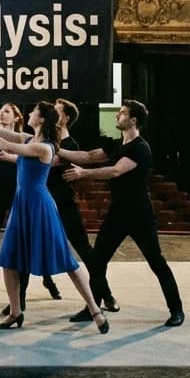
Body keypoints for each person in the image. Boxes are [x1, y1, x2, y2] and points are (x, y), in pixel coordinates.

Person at [0, 91, 108, 333]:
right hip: (21, 204)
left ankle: (95, 310)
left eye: (34, 111)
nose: (30, 113)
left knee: (67, 261)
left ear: (42, 119)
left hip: (40, 206)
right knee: (9, 260)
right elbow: (0, 131)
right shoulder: (28, 138)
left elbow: (3, 142)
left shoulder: (45, 148)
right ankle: (15, 312)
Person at [60, 100, 185, 327]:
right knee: (97, 261)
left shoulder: (140, 148)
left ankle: (176, 310)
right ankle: (94, 308)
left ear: (133, 120)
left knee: (156, 262)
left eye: (122, 113)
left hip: (139, 214)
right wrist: (55, 148)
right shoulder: (116, 146)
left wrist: (83, 174)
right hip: (117, 213)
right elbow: (88, 155)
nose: (117, 116)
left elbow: (116, 171)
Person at [0, 103, 59, 311]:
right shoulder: (4, 136)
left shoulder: (27, 139)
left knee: (23, 249)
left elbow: (7, 147)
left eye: (7, 111)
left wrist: (0, 154)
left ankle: (22, 297)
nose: (1, 113)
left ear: (17, 118)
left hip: (17, 198)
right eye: (0, 110)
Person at [47, 98, 120, 314]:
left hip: (64, 205)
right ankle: (17, 303)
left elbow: (47, 160)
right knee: (25, 247)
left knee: (85, 251)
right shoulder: (45, 142)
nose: (52, 114)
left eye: (56, 112)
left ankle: (105, 294)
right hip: (44, 205)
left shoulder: (70, 146)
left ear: (66, 118)